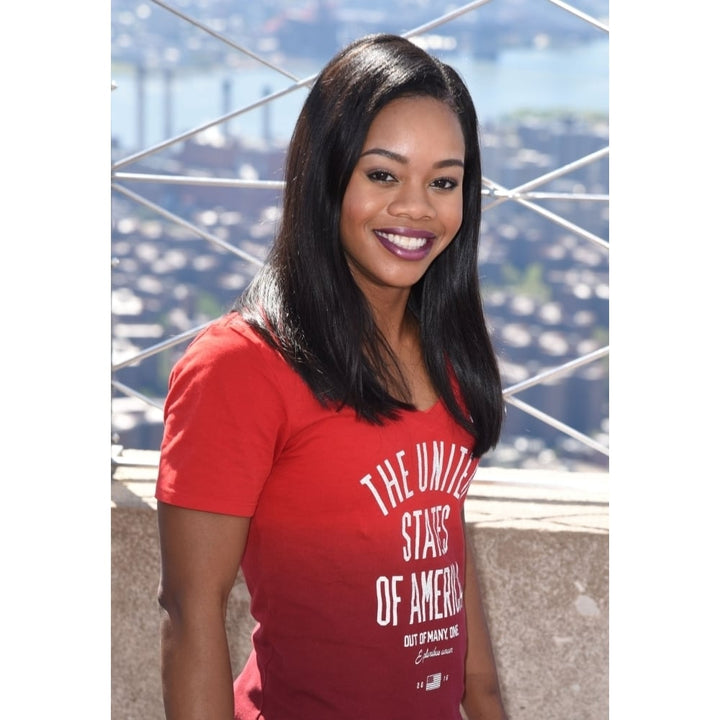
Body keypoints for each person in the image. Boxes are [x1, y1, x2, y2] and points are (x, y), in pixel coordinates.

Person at [155, 33, 507, 720]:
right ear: (327, 174)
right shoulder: (240, 368)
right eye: (383, 175)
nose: (416, 209)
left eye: (445, 181)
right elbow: (189, 614)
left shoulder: (448, 354)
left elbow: (446, 561)